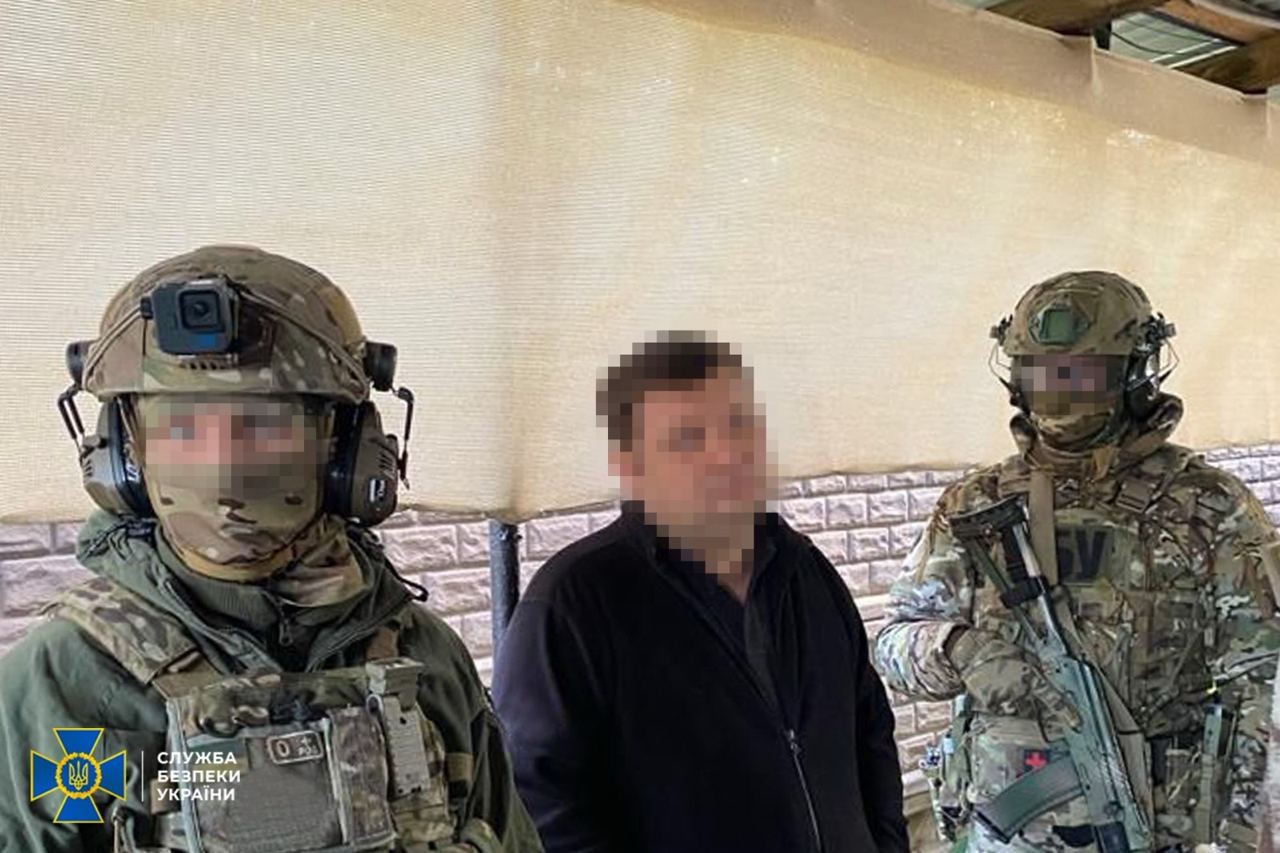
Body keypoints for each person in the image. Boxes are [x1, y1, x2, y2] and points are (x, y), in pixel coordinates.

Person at [0, 246, 542, 852]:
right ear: (123, 457)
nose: (223, 469)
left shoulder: (425, 658)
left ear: (345, 450)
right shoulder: (61, 682)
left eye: (264, 426)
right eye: (182, 430)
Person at [875, 271, 1280, 852]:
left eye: (1083, 375)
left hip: (1156, 832)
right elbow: (893, 645)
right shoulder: (976, 505)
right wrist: (957, 649)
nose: (1060, 393)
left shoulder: (1206, 506)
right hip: (1004, 834)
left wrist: (1245, 838)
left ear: (1136, 375)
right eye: (1042, 375)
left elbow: (1264, 682)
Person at [491, 331, 907, 853]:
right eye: (687, 438)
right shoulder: (571, 605)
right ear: (631, 465)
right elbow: (543, 812)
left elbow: (870, 732)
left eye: (737, 426)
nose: (723, 455)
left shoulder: (806, 571)